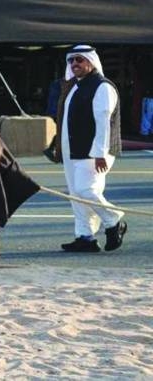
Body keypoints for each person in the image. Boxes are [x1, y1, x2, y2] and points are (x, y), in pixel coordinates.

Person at [56, 45, 128, 253]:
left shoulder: (102, 87)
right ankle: (85, 237)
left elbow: (103, 123)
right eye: (71, 60)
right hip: (73, 150)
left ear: (90, 61)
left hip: (94, 152)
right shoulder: (74, 87)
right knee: (75, 195)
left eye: (79, 59)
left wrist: (99, 153)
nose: (74, 64)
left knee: (85, 190)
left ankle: (114, 220)